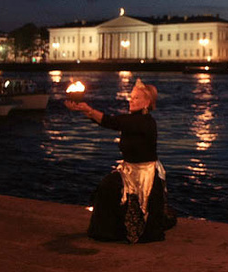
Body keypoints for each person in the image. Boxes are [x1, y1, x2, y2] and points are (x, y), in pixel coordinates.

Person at [66, 79, 175, 243]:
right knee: (107, 186)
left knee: (110, 187)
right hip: (128, 168)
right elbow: (110, 122)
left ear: (147, 103)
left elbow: (113, 122)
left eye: (136, 98)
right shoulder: (133, 119)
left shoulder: (145, 122)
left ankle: (114, 232)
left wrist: (89, 110)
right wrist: (85, 110)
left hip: (144, 172)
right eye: (131, 97)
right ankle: (108, 230)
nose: (131, 100)